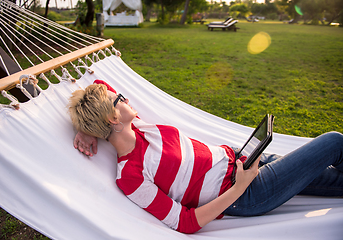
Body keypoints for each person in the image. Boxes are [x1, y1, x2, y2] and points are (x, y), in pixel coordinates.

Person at [68, 80, 343, 234]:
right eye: (122, 99)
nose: (127, 99)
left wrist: (86, 128)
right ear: (113, 117)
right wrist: (240, 187)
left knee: (335, 180)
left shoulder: (138, 127)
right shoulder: (130, 177)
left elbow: (99, 84)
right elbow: (184, 222)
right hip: (248, 192)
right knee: (334, 142)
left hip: (241, 159)